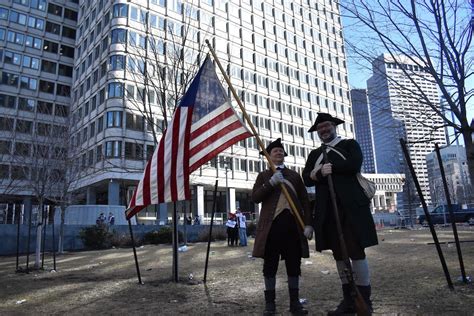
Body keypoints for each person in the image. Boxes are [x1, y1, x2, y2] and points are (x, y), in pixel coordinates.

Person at [302, 113, 378, 315]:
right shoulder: (315, 154)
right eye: (320, 128)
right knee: (338, 255)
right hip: (328, 210)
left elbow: (354, 163)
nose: (324, 130)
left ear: (334, 126)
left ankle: (364, 300)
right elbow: (306, 178)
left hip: (350, 208)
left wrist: (332, 168)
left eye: (326, 126)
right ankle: (348, 300)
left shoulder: (349, 145)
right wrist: (319, 172)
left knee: (356, 252)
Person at [252, 138, 313, 315]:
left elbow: (304, 201)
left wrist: (308, 224)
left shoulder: (294, 175)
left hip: (293, 229)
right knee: (269, 266)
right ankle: (270, 305)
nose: (278, 153)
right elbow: (255, 197)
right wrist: (270, 183)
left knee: (294, 265)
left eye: (280, 151)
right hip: (271, 229)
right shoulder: (263, 176)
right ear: (268, 156)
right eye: (275, 151)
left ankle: (295, 303)